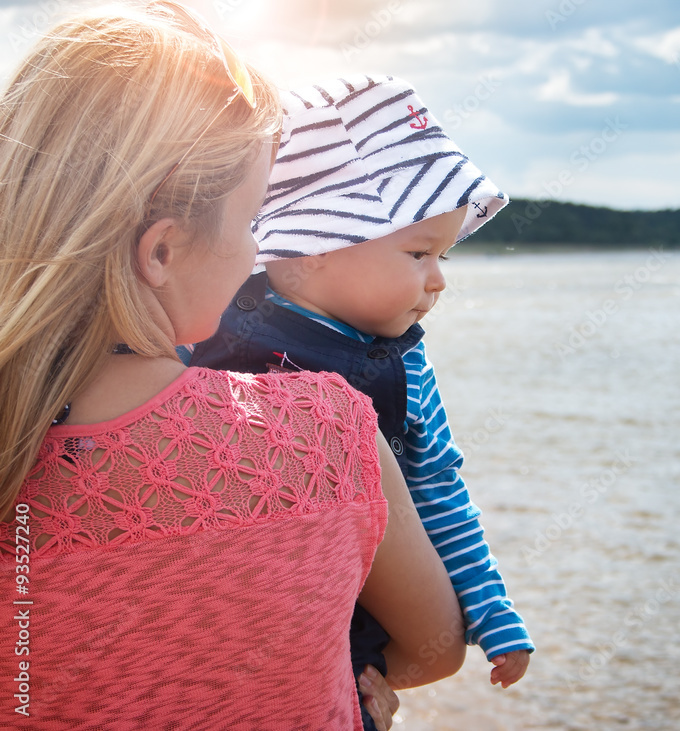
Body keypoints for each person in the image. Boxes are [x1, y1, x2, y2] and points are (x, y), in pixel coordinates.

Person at [0, 5, 463, 730]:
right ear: (161, 251)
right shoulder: (328, 430)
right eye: (253, 222)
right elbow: (436, 646)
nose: (258, 255)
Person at [190, 75, 534, 689]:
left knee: (368, 681)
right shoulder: (211, 316)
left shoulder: (403, 368)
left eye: (443, 257)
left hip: (343, 605)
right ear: (317, 246)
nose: (439, 281)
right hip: (212, 597)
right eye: (418, 254)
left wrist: (490, 608)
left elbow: (439, 489)